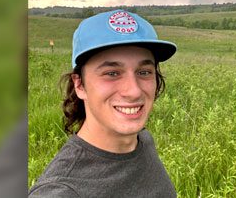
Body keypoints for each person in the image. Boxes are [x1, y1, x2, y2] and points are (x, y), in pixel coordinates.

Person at [29, 10, 177, 197]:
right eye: (112, 73)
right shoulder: (61, 191)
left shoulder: (142, 141)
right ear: (80, 85)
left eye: (144, 72)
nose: (134, 91)